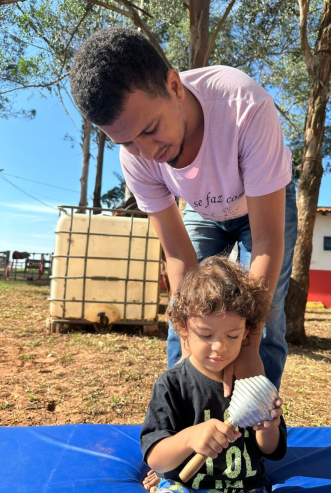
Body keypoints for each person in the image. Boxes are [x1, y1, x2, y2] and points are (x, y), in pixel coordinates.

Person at [70, 27, 297, 391]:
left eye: (151, 129)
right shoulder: (137, 158)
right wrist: (192, 344)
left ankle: (257, 422)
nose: (146, 152)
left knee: (264, 318)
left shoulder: (245, 107)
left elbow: (268, 241)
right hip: (202, 209)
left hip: (264, 205)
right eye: (126, 142)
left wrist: (249, 345)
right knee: (187, 311)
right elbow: (177, 254)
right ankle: (184, 413)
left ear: (175, 86)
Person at [140, 256, 287, 493]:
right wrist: (190, 438)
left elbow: (272, 451)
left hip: (247, 487)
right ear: (183, 328)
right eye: (206, 335)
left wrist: (269, 427)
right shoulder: (172, 385)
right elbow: (156, 458)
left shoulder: (254, 384)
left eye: (232, 336)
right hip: (186, 486)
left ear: (246, 331)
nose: (219, 347)